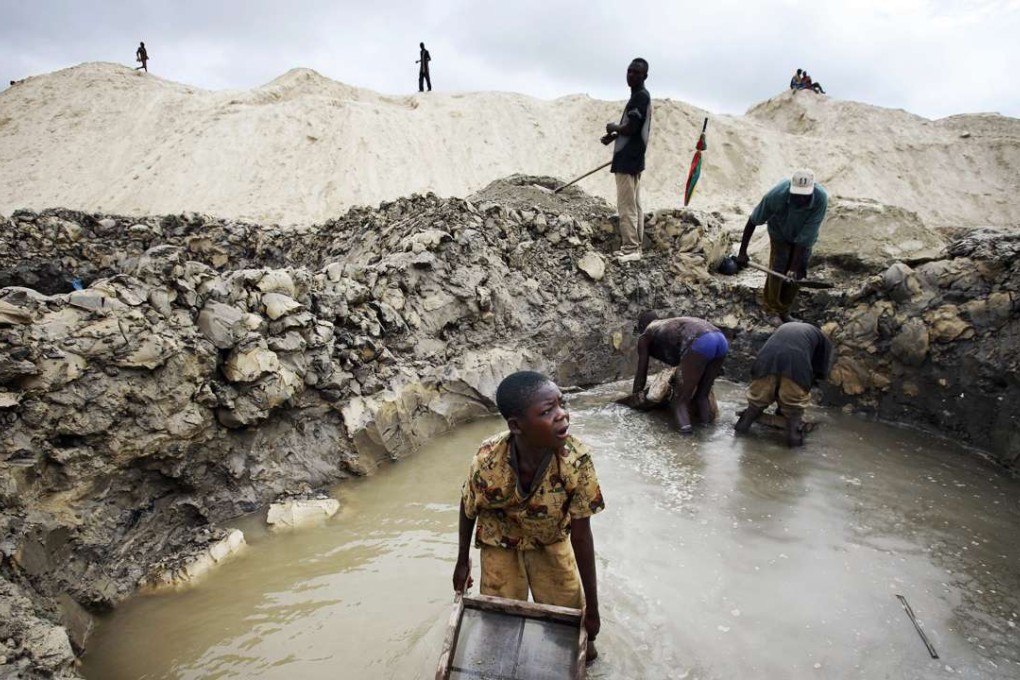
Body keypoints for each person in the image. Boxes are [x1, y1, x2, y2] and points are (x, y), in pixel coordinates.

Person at [453, 371, 604, 661]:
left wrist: (593, 610)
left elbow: (582, 535)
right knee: (499, 624)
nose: (563, 416)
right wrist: (462, 562)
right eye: (547, 412)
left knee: (573, 628)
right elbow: (468, 505)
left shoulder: (576, 460)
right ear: (516, 426)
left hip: (550, 538)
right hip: (500, 539)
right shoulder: (488, 459)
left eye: (561, 404)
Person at [735, 169, 828, 325]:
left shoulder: (820, 199)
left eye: (804, 196)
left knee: (797, 273)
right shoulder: (776, 195)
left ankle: (784, 310)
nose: (800, 198)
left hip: (804, 239)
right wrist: (742, 252)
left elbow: (805, 238)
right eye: (797, 194)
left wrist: (793, 267)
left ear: (811, 190)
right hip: (780, 232)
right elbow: (753, 221)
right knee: (778, 268)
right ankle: (770, 310)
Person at [735, 321, 833, 447]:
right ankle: (793, 462)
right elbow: (818, 373)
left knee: (753, 409)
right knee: (794, 420)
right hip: (796, 367)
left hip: (764, 363)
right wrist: (794, 402)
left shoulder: (787, 327)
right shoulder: (823, 340)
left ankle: (737, 442)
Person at [631, 312, 728, 433]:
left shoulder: (646, 335)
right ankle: (707, 432)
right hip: (720, 339)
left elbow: (641, 372)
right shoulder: (669, 325)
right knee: (702, 395)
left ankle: (685, 439)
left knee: (680, 400)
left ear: (642, 326)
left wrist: (635, 397)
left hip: (702, 342)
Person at [600, 58, 651, 263]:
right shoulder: (639, 97)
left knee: (626, 205)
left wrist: (613, 127)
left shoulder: (640, 97)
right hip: (633, 158)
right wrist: (614, 137)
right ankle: (636, 245)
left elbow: (630, 128)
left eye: (636, 73)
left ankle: (630, 248)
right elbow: (631, 128)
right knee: (635, 204)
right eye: (629, 71)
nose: (631, 75)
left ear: (645, 76)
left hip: (628, 160)